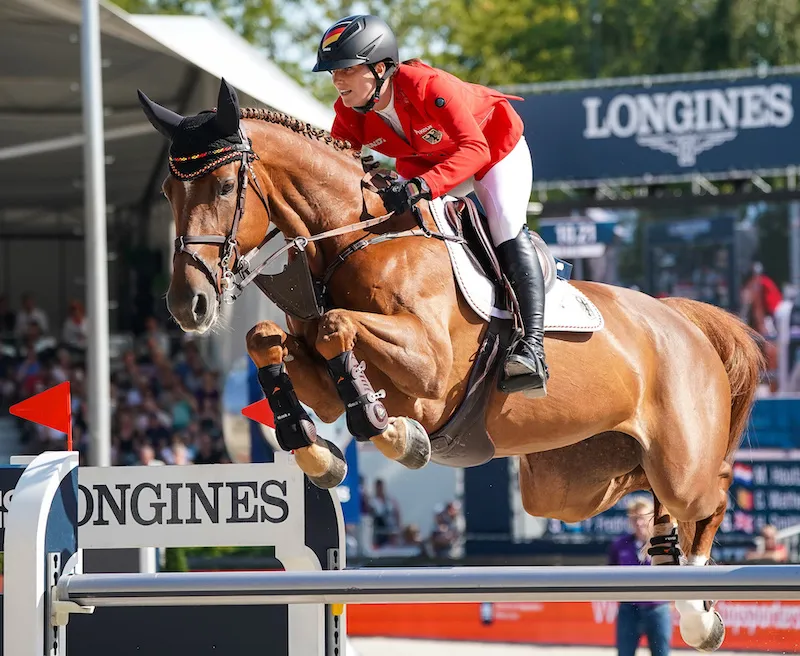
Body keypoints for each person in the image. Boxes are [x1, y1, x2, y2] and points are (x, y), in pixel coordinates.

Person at [312, 14, 548, 398]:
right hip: (427, 164)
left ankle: (531, 346)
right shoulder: (347, 112)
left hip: (493, 149)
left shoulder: (428, 86)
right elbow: (340, 170)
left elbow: (475, 149)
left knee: (504, 222)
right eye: (334, 72)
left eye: (348, 70)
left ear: (382, 67)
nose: (337, 81)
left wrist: (425, 186)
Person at [608, 498, 672, 656]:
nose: (639, 523)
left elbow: (674, 574)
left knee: (662, 653)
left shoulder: (663, 546)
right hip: (629, 609)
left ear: (651, 520)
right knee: (625, 653)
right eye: (635, 519)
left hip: (657, 608)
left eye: (642, 518)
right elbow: (610, 571)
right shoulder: (620, 544)